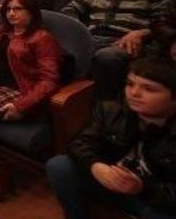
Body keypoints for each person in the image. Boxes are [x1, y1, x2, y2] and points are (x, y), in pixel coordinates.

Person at [46, 52, 176, 219]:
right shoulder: (111, 109)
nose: (134, 93)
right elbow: (79, 143)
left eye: (148, 88)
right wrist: (96, 166)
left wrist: (143, 188)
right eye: (130, 84)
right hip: (112, 180)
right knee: (59, 166)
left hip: (152, 198)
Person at [0, 0, 63, 201]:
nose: (11, 13)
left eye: (18, 9)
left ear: (32, 13)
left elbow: (49, 81)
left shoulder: (41, 38)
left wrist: (21, 106)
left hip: (20, 91)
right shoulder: (2, 31)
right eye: (9, 9)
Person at [62, 0, 173, 100]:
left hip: (124, 41)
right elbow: (69, 10)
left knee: (107, 57)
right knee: (54, 50)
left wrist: (141, 33)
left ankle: (104, 106)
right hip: (91, 37)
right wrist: (79, 27)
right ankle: (65, 103)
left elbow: (163, 24)